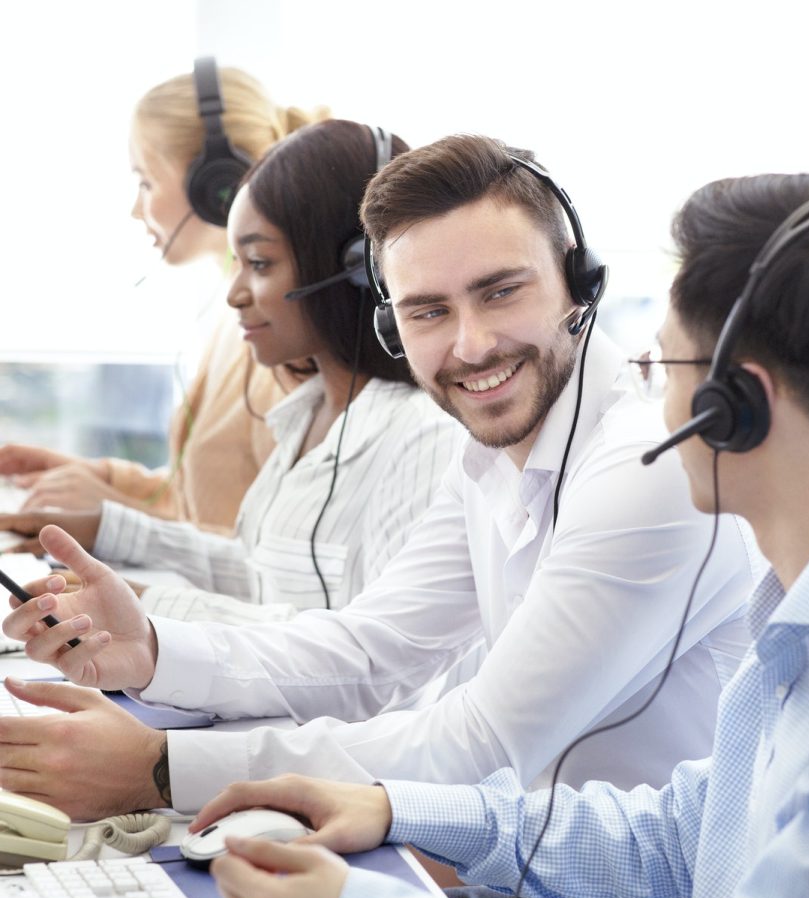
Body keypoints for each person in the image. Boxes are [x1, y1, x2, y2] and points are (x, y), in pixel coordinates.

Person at [193, 174, 809, 898]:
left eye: (665, 361)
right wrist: (398, 809)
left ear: (735, 408)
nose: (650, 389)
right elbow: (687, 840)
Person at [0, 135, 755, 823]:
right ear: (392, 327)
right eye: (428, 311)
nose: (472, 345)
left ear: (578, 283)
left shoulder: (644, 469)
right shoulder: (493, 452)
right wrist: (153, 649)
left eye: (501, 291)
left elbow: (480, 743)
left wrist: (164, 770)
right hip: (524, 872)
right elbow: (373, 648)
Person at [0, 120, 461, 625]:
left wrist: (141, 607)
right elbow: (259, 576)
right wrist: (104, 530)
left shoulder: (425, 437)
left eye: (260, 263)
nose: (234, 293)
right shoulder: (308, 415)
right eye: (237, 262)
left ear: (359, 266)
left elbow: (369, 653)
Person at [0, 63, 326, 533]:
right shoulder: (229, 319)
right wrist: (100, 478)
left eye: (146, 182)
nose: (136, 209)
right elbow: (203, 500)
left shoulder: (280, 337)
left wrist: (112, 512)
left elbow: (270, 552)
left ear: (217, 185)